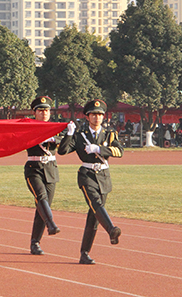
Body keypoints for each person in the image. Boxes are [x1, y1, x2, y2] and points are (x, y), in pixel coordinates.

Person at [58, 99, 124, 265]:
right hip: (87, 174)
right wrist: (70, 134)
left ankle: (84, 253)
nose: (97, 117)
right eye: (93, 114)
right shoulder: (80, 135)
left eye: (100, 114)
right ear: (87, 116)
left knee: (94, 217)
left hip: (103, 175)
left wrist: (99, 149)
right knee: (95, 204)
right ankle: (111, 229)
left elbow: (119, 151)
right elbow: (63, 150)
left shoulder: (109, 134)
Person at [25, 96, 61, 256]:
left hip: (51, 169)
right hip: (34, 168)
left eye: (46, 110)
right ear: (34, 112)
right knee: (41, 198)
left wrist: (57, 138)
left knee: (43, 206)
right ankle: (51, 223)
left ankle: (35, 243)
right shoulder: (28, 127)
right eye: (40, 110)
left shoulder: (55, 127)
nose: (44, 113)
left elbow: (65, 146)